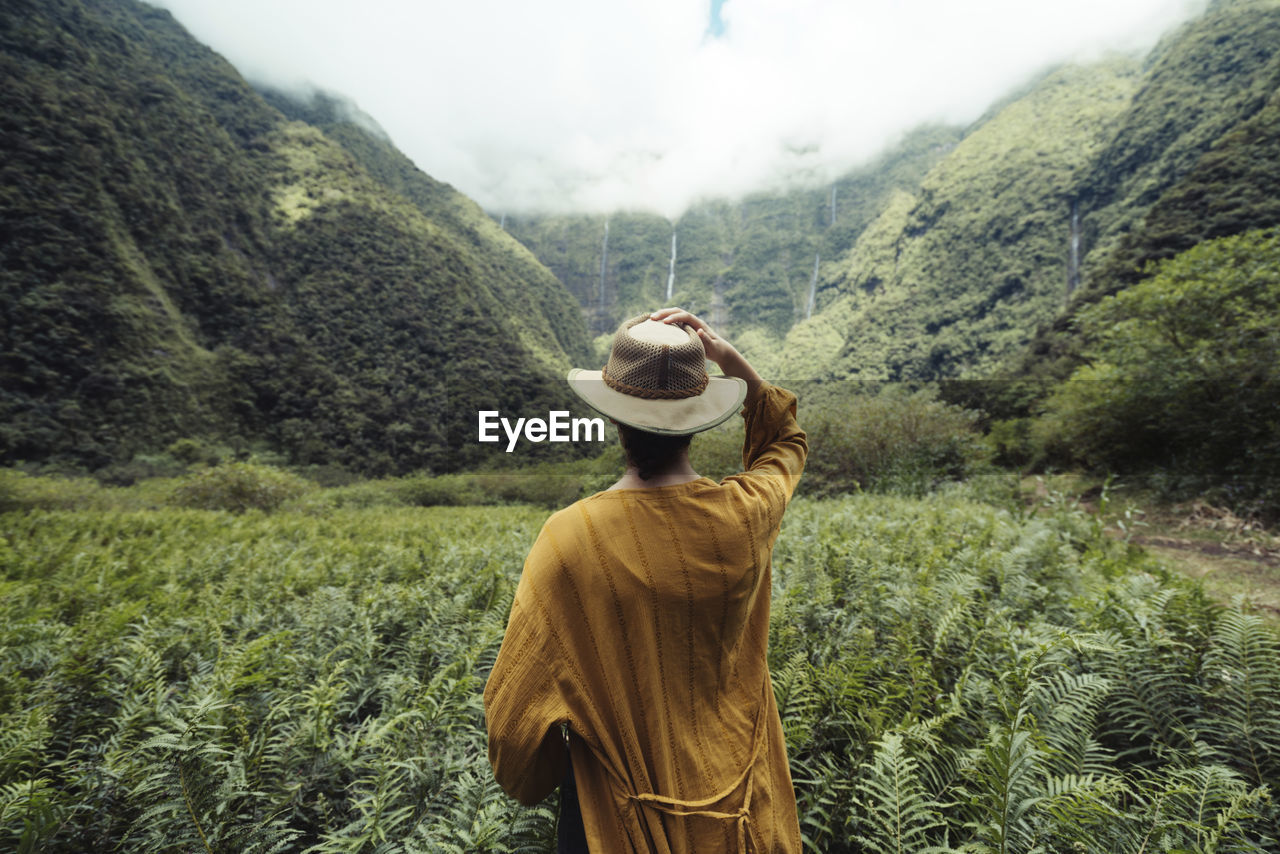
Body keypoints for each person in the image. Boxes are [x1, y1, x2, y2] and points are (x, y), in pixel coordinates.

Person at [484, 307, 807, 853]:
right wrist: (726, 357)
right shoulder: (748, 512)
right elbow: (786, 441)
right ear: (700, 419)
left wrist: (555, 771)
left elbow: (512, 726)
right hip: (745, 814)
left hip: (617, 823)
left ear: (615, 418)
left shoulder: (569, 537)